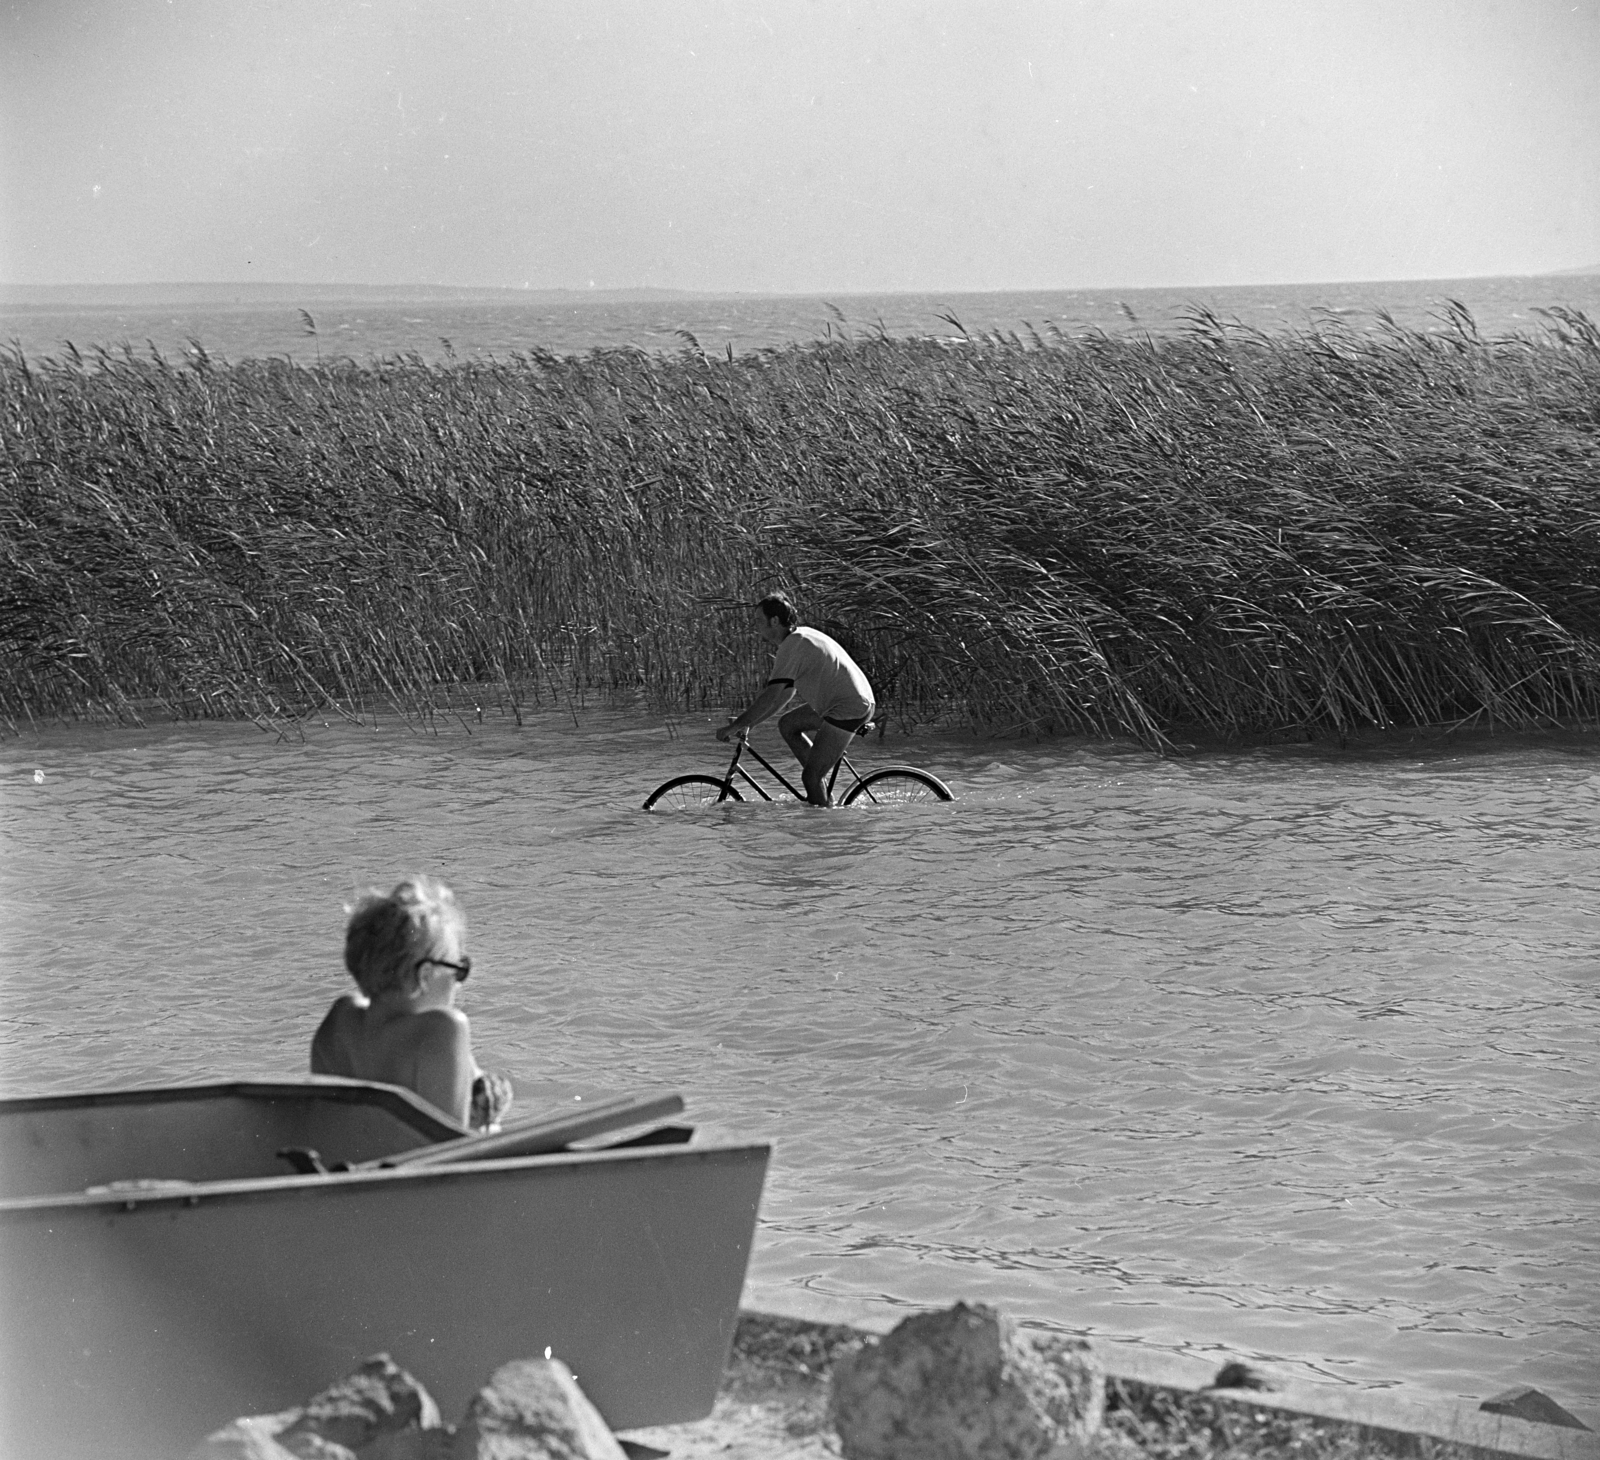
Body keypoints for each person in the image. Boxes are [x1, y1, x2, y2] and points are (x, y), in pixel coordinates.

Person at [311, 876, 513, 1131]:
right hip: (415, 1166)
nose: (458, 983)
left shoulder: (340, 1021)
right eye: (459, 969)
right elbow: (449, 1145)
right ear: (425, 975)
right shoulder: (443, 1030)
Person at [717, 592, 876, 806]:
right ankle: (821, 793)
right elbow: (784, 694)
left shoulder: (793, 644)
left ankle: (822, 822)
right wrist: (749, 724)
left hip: (849, 708)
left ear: (774, 621)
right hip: (847, 703)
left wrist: (737, 724)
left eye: (758, 621)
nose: (755, 627)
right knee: (788, 724)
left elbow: (771, 696)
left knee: (810, 777)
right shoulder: (799, 637)